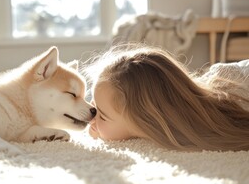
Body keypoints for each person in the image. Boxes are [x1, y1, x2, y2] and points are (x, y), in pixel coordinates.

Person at [84, 44, 249, 151]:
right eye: (93, 104)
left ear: (145, 120)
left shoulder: (236, 93)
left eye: (102, 115)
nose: (90, 116)